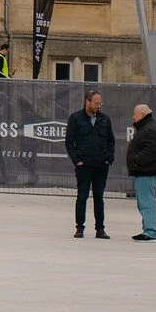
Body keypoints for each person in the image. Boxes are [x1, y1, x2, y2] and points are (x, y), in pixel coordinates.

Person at [64, 89, 116, 238]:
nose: (98, 106)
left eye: (100, 103)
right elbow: (69, 141)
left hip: (101, 165)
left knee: (99, 197)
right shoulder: (75, 118)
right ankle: (80, 228)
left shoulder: (105, 119)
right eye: (96, 103)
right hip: (84, 165)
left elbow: (111, 141)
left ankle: (100, 229)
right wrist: (77, 161)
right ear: (87, 102)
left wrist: (108, 159)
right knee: (82, 196)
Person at [128, 102, 156, 241]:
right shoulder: (146, 127)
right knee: (144, 202)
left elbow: (152, 151)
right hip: (144, 172)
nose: (133, 117)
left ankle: (150, 232)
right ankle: (147, 230)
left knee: (147, 202)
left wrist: (136, 160)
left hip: (147, 172)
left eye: (135, 114)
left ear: (142, 115)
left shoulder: (149, 129)